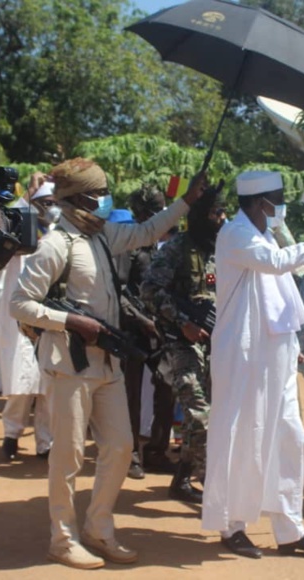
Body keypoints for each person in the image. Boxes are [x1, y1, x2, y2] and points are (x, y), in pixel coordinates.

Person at [10, 158, 204, 570]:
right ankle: (62, 539)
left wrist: (186, 200)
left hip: (107, 364)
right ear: (79, 198)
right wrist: (71, 321)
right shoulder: (56, 244)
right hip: (68, 365)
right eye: (98, 194)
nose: (104, 199)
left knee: (119, 447)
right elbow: (20, 304)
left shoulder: (101, 237)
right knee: (69, 454)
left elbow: (149, 230)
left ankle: (98, 527)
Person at [201, 170, 304, 559]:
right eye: (279, 200)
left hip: (275, 354)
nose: (282, 207)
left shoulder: (263, 233)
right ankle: (231, 526)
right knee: (242, 436)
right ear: (260, 204)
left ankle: (290, 530)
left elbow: (278, 288)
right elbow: (277, 263)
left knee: (288, 439)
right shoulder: (236, 234)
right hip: (243, 355)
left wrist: (289, 342)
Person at [141, 185, 226, 503]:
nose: (223, 217)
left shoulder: (220, 249)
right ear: (203, 215)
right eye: (217, 212)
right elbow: (149, 290)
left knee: (202, 417)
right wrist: (183, 322)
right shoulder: (177, 248)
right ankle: (212, 485)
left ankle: (181, 480)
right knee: (200, 413)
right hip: (181, 344)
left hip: (213, 346)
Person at [0, 181, 54, 461]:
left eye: (55, 201)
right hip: (21, 314)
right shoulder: (21, 230)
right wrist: (26, 196)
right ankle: (11, 434)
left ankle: (45, 443)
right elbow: (7, 219)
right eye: (46, 201)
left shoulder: (57, 233)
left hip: (49, 314)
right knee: (22, 381)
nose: (51, 207)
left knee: (48, 386)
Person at [121, 185, 170, 480]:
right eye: (158, 210)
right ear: (143, 213)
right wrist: (141, 319)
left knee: (166, 385)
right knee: (131, 395)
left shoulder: (160, 248)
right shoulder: (128, 246)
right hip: (131, 330)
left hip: (158, 329)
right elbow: (119, 292)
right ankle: (130, 455)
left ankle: (157, 450)